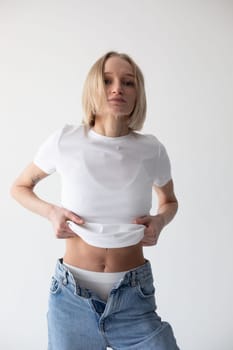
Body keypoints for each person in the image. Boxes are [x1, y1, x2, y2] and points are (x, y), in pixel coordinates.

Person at [10, 51, 180, 350]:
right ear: (93, 88)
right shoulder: (66, 140)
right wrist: (51, 212)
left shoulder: (151, 149)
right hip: (71, 298)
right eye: (107, 80)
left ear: (137, 93)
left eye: (128, 82)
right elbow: (20, 186)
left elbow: (169, 201)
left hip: (133, 296)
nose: (117, 88)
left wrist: (160, 220)